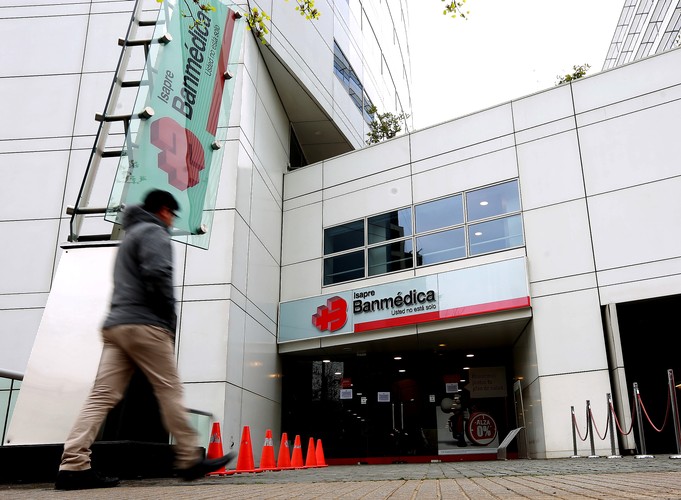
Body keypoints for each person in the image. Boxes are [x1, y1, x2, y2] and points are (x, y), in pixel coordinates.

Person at [55, 189, 234, 490]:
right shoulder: (154, 232)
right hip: (146, 325)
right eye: (172, 214)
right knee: (169, 389)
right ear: (163, 210)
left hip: (117, 326)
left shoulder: (130, 237)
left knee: (101, 396)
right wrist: (168, 318)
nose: (172, 220)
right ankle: (189, 459)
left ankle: (72, 464)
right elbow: (158, 273)